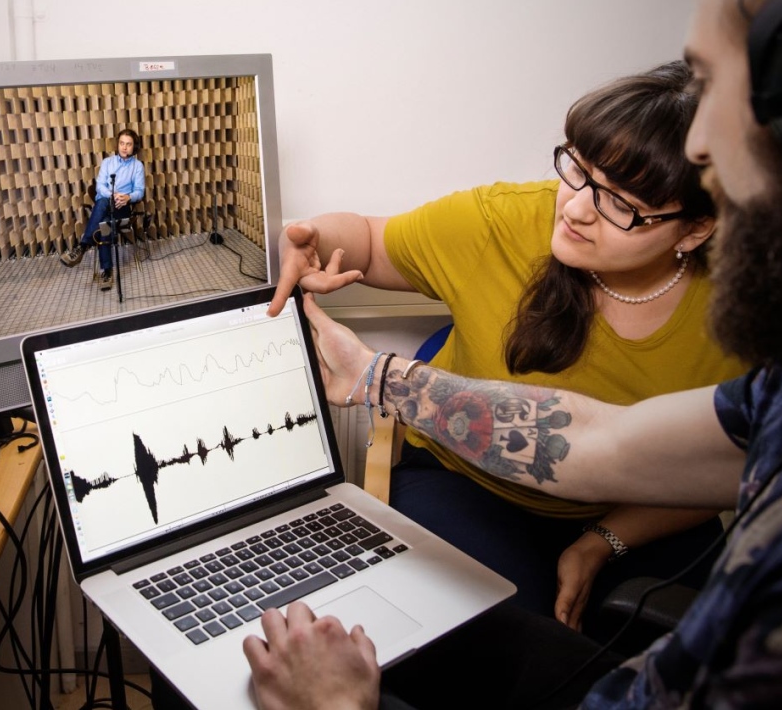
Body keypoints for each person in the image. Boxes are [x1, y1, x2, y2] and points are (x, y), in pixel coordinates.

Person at [247, 0, 782, 707]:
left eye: (713, 86)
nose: (704, 144)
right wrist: (378, 377)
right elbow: (597, 442)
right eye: (578, 172)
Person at [267, 61, 748, 635]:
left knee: (684, 642)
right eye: (578, 169)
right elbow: (370, 240)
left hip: (640, 507)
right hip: (466, 482)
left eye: (621, 204)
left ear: (695, 229)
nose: (573, 209)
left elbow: (718, 464)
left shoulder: (747, 305)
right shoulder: (503, 221)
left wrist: (603, 541)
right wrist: (316, 241)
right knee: (510, 639)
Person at [61, 128, 145, 284]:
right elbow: (100, 187)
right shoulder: (107, 163)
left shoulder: (137, 166)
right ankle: (106, 271)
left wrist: (127, 197)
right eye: (121, 143)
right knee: (104, 222)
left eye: (128, 144)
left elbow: (140, 192)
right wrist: (112, 195)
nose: (124, 147)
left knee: (102, 209)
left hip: (123, 207)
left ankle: (83, 247)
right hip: (107, 202)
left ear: (134, 147)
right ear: (118, 145)